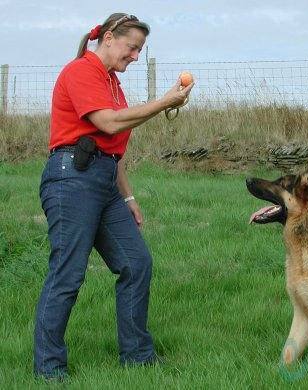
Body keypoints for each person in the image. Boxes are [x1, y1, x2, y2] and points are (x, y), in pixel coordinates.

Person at [34, 13, 194, 380]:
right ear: (109, 37)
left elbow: (112, 149)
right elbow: (107, 123)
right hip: (71, 180)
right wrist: (164, 102)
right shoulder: (81, 72)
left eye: (140, 50)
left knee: (136, 263)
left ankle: (138, 359)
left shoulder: (111, 84)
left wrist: (128, 198)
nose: (136, 56)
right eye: (132, 47)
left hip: (103, 182)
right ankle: (49, 371)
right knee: (68, 275)